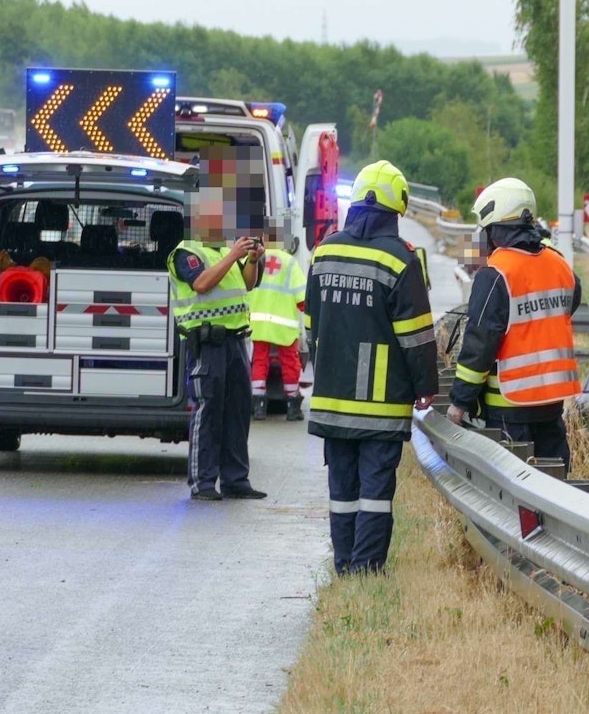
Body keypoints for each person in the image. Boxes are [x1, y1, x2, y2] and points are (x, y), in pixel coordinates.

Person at [305, 160, 438, 575]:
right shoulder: (401, 260)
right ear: (394, 212)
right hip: (380, 403)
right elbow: (416, 337)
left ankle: (344, 564)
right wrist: (425, 386)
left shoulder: (325, 251)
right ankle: (366, 568)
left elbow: (312, 326)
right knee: (375, 492)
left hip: (331, 398)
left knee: (341, 490)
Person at [446, 178, 582, 473]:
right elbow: (567, 306)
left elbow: (479, 346)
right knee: (554, 488)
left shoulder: (495, 273)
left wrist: (459, 402)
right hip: (551, 405)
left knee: (516, 497)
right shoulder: (559, 264)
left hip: (508, 409)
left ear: (494, 228)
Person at [168, 228, 267, 501]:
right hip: (207, 342)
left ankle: (236, 480)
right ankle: (203, 482)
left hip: (235, 340)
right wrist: (234, 254)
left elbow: (247, 284)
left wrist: (252, 259)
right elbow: (201, 283)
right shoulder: (187, 250)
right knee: (208, 410)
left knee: (237, 411)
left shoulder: (225, 251)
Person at [248, 244, 307, 421]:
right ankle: (292, 407)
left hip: (258, 322)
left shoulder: (254, 258)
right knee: (290, 363)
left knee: (259, 360)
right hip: (284, 324)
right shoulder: (290, 262)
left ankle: (258, 407)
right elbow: (302, 298)